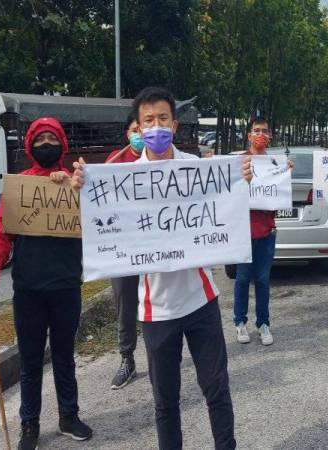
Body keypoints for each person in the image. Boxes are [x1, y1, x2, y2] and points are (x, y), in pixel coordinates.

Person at [72, 87, 252, 449]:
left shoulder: (197, 168)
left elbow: (224, 205)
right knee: (165, 404)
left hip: (201, 301)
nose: (156, 126)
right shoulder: (120, 181)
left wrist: (240, 177)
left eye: (163, 119)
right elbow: (102, 226)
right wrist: (81, 189)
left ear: (175, 124)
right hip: (156, 312)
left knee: (217, 390)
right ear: (137, 128)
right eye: (148, 120)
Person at [0, 118, 92, 450]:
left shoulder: (75, 185)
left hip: (66, 288)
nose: (45, 144)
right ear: (29, 146)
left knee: (64, 357)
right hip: (28, 291)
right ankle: (30, 424)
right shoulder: (19, 188)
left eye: (50, 138)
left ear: (61, 145)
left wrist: (70, 186)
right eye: (38, 139)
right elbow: (1, 234)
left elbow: (99, 223)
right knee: (29, 362)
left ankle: (69, 416)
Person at [233, 116, 293, 345]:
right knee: (242, 279)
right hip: (242, 232)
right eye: (256, 130)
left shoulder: (276, 164)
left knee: (262, 279)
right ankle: (240, 322)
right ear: (249, 135)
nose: (260, 134)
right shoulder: (239, 161)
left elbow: (279, 195)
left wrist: (287, 175)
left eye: (264, 131)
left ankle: (263, 323)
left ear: (270, 136)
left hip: (267, 231)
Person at [107, 112, 145, 390]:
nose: (139, 135)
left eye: (142, 129)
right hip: (123, 248)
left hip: (155, 244)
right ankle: (127, 358)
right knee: (125, 302)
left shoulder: (160, 161)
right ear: (127, 134)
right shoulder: (114, 161)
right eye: (135, 130)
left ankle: (168, 349)